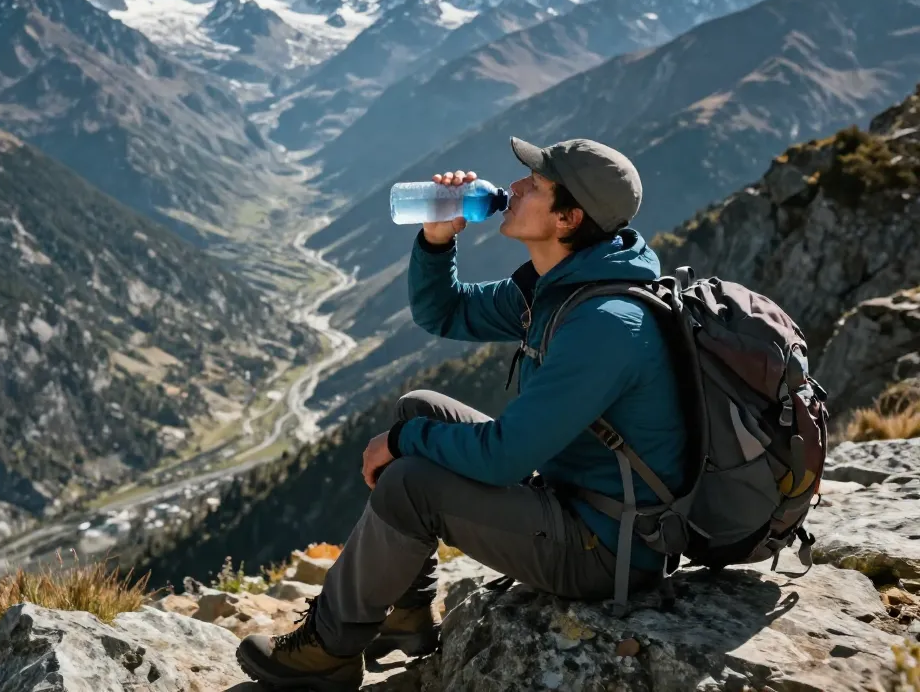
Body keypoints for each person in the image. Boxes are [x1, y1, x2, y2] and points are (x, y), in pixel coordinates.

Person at [236, 137, 687, 691]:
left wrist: (402, 442)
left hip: (607, 551)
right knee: (420, 407)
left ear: (568, 218)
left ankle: (328, 650)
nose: (514, 186)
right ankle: (404, 616)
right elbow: (443, 312)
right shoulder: (555, 286)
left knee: (412, 481)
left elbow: (502, 458)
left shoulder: (605, 323)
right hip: (572, 502)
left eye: (534, 185)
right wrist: (436, 238)